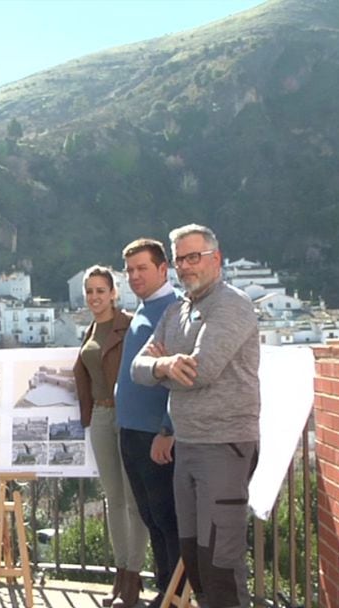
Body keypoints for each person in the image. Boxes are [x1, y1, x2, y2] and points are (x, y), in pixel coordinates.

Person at [131, 224, 260, 608]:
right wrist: (166, 365)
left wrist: (162, 369)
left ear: (216, 259)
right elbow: (138, 370)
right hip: (187, 445)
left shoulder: (231, 305)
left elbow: (202, 371)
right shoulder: (177, 310)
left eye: (195, 257)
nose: (187, 266)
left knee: (221, 562)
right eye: (180, 259)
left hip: (224, 445)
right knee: (195, 559)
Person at [71, 265, 148, 607]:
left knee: (134, 500)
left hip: (128, 414)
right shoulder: (90, 330)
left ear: (114, 293)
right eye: (89, 291)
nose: (94, 297)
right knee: (113, 500)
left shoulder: (130, 325)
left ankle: (134, 577)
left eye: (100, 290)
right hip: (101, 416)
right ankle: (120, 575)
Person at [115, 238, 182, 608]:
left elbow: (181, 373)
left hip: (154, 434)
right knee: (150, 515)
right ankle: (165, 590)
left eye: (142, 268)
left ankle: (176, 593)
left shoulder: (172, 311)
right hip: (131, 430)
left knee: (166, 516)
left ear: (162, 269)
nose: (135, 276)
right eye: (129, 270)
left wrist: (167, 429)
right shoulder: (144, 310)